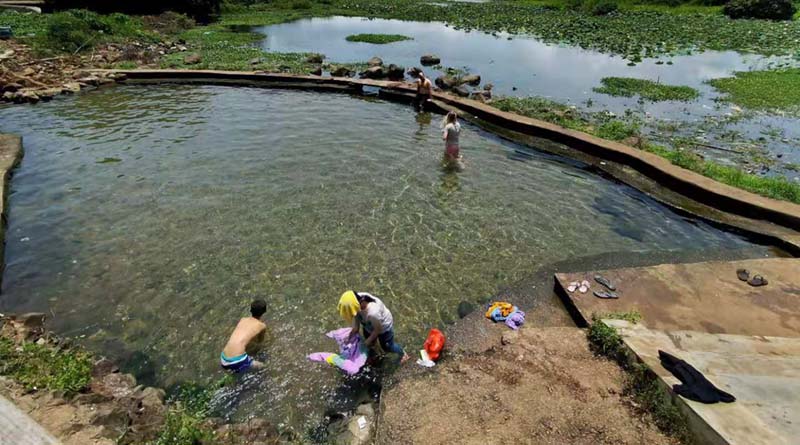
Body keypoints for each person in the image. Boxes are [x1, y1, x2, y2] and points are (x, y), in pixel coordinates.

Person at [349, 291, 409, 364]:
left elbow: (378, 330)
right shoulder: (356, 299)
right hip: (368, 325)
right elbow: (356, 326)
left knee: (388, 346)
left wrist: (367, 342)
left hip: (383, 327)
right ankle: (377, 353)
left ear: (359, 303)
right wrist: (350, 337)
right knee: (371, 343)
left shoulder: (373, 313)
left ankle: (403, 354)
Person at [220, 299, 268, 372]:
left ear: (250, 310)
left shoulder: (243, 320)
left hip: (223, 358)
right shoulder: (262, 326)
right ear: (264, 312)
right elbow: (260, 343)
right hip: (237, 361)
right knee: (264, 367)